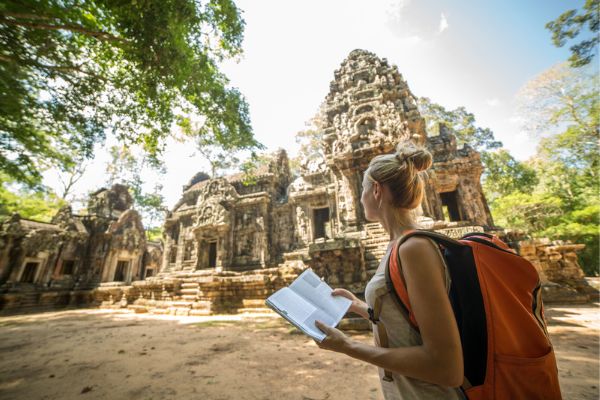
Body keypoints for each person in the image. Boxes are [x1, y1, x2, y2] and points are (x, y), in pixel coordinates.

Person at [314, 142, 465, 399]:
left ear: (375, 190)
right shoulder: (396, 245)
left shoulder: (414, 248)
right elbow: (407, 321)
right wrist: (360, 307)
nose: (359, 197)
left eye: (361, 189)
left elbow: (447, 367)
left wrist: (348, 346)